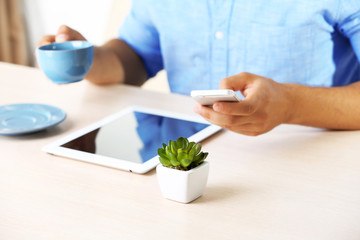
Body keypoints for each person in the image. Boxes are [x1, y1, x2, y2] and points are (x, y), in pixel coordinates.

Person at [37, 0, 360, 136]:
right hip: (175, 158)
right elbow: (136, 57)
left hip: (304, 159)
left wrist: (290, 104)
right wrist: (88, 58)